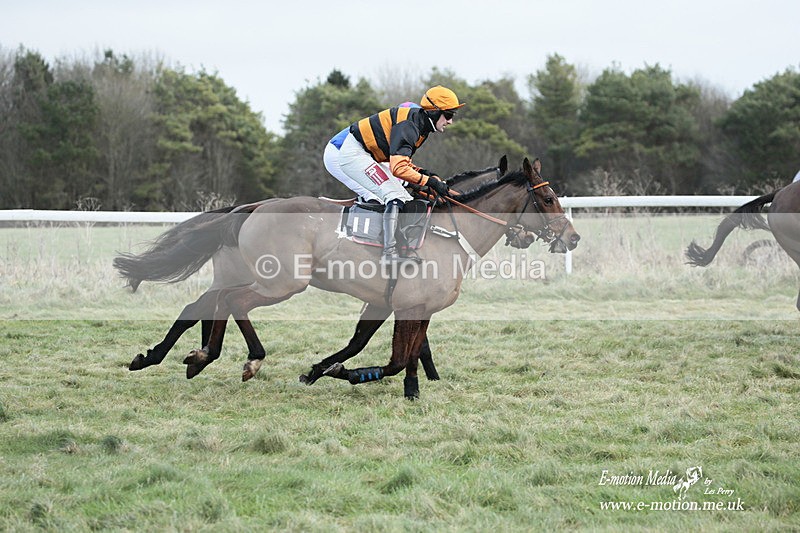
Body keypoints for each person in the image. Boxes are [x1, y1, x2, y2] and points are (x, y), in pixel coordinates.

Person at [323, 85, 465, 263]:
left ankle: (394, 245)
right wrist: (429, 182)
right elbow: (397, 168)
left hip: (366, 154)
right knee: (392, 195)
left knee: (404, 197)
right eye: (449, 115)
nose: (450, 121)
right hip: (351, 153)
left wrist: (424, 175)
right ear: (434, 112)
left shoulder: (421, 126)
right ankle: (385, 254)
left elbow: (402, 162)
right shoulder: (409, 125)